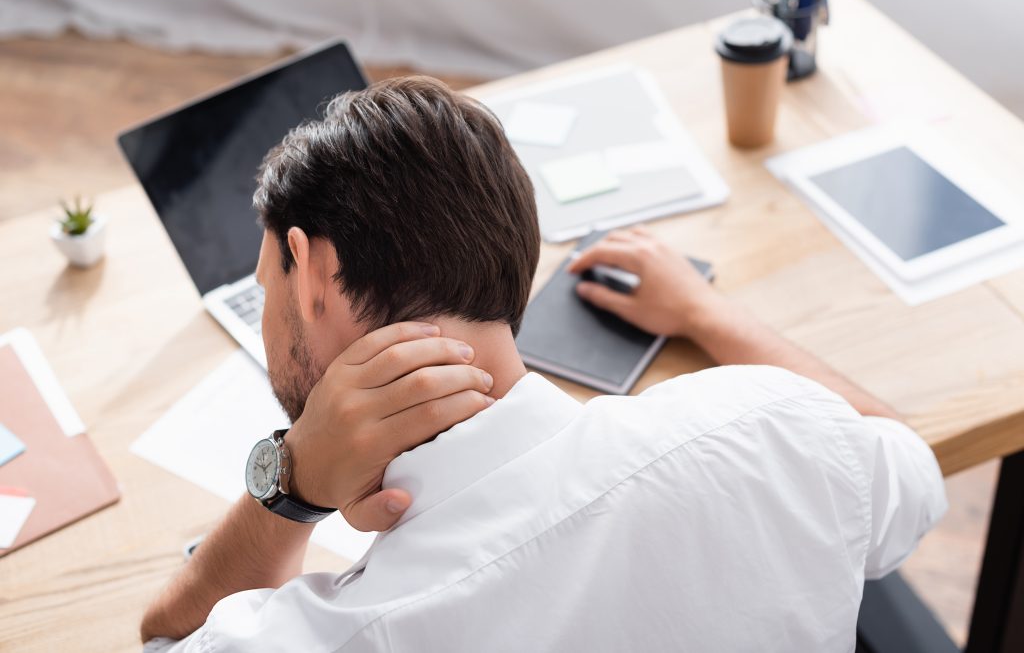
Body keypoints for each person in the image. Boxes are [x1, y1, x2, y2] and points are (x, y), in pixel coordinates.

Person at [141, 77, 946, 652]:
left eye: (267, 286)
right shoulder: (773, 422)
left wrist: (292, 486)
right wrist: (706, 313)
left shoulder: (353, 627)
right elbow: (908, 460)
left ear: (309, 270)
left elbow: (166, 636)